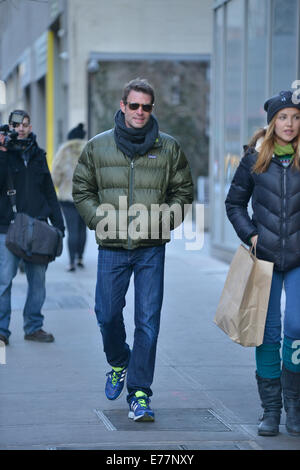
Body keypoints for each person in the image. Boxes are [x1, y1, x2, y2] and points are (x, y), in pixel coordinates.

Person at [72, 78, 194, 422]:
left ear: (152, 109)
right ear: (123, 106)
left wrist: (160, 222)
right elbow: (82, 189)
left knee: (148, 322)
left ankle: (139, 393)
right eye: (134, 105)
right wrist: (100, 221)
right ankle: (118, 361)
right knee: (107, 314)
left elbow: (183, 193)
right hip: (111, 246)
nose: (140, 112)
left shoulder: (168, 148)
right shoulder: (98, 147)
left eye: (147, 107)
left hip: (151, 248)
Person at [225, 90, 300, 437]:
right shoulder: (254, 160)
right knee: (266, 334)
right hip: (265, 259)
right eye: (284, 117)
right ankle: (270, 410)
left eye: (296, 117)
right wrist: (252, 236)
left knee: (297, 329)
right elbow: (234, 204)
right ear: (272, 122)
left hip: (299, 259)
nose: (290, 124)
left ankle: (294, 407)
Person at [0, 110, 65, 345]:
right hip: (7, 226)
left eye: (25, 124)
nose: (21, 128)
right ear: (9, 127)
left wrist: (59, 225)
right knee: (4, 281)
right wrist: (3, 152)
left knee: (37, 282)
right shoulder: (4, 154)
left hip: (38, 227)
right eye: (16, 125)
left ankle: (33, 327)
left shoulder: (38, 155)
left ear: (30, 127)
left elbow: (49, 190)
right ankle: (1, 331)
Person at [52, 123, 87, 271]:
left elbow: (55, 174)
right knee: (82, 229)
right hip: (86, 196)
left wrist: (59, 186)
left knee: (72, 229)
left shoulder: (64, 151)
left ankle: (71, 261)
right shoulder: (90, 149)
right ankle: (80, 257)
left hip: (67, 197)